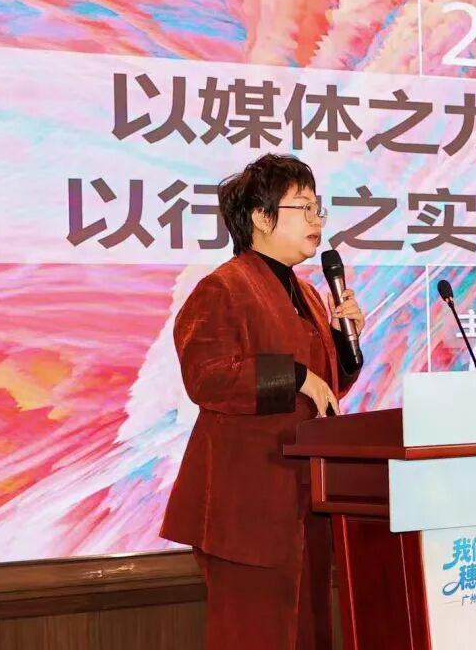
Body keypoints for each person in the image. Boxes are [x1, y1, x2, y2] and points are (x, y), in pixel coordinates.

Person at [160, 152, 366, 649]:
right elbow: (207, 377)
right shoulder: (223, 287)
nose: (317, 220)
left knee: (309, 634)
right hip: (246, 506)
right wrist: (294, 376)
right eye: (303, 207)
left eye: (318, 208)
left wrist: (345, 345)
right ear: (261, 217)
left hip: (306, 498)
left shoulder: (309, 294)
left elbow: (323, 391)